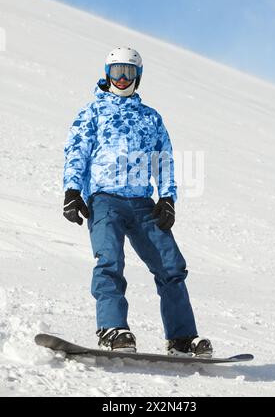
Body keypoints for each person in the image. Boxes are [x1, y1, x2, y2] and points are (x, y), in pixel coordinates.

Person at [63, 47, 212, 357]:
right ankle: (112, 329)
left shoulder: (150, 118)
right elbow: (77, 152)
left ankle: (182, 338)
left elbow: (164, 160)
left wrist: (168, 197)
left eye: (128, 72)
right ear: (107, 74)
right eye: (116, 71)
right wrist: (72, 191)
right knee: (110, 262)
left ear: (138, 76)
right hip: (105, 200)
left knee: (171, 266)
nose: (121, 78)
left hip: (143, 203)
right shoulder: (93, 112)